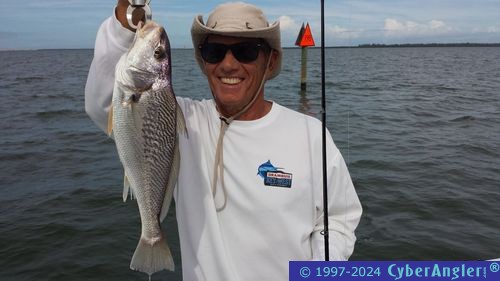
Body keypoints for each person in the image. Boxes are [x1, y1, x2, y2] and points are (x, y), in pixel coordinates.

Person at [85, 1, 362, 280]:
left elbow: (339, 218)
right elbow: (105, 103)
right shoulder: (182, 123)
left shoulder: (311, 134)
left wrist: (317, 272)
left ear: (271, 61)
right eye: (214, 52)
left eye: (246, 51)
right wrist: (127, 18)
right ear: (203, 62)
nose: (229, 64)